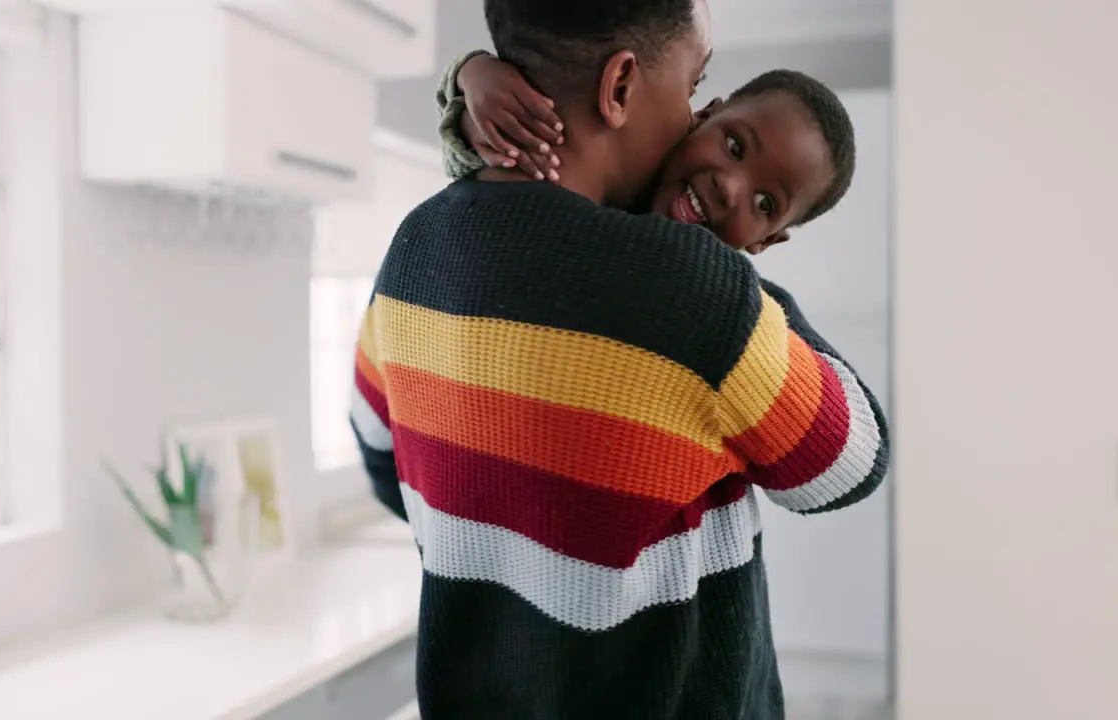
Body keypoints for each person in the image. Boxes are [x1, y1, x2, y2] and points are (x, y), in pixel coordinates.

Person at [349, 0, 889, 717]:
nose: (692, 128)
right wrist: (747, 292)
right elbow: (850, 463)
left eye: (764, 202)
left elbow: (384, 462)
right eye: (695, 90)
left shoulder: (412, 251)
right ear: (621, 87)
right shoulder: (706, 299)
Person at [439, 52, 856, 256]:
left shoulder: (720, 306)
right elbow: (480, 170)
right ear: (704, 115)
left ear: (766, 240)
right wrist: (473, 77)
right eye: (734, 146)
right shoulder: (624, 165)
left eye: (765, 202)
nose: (729, 188)